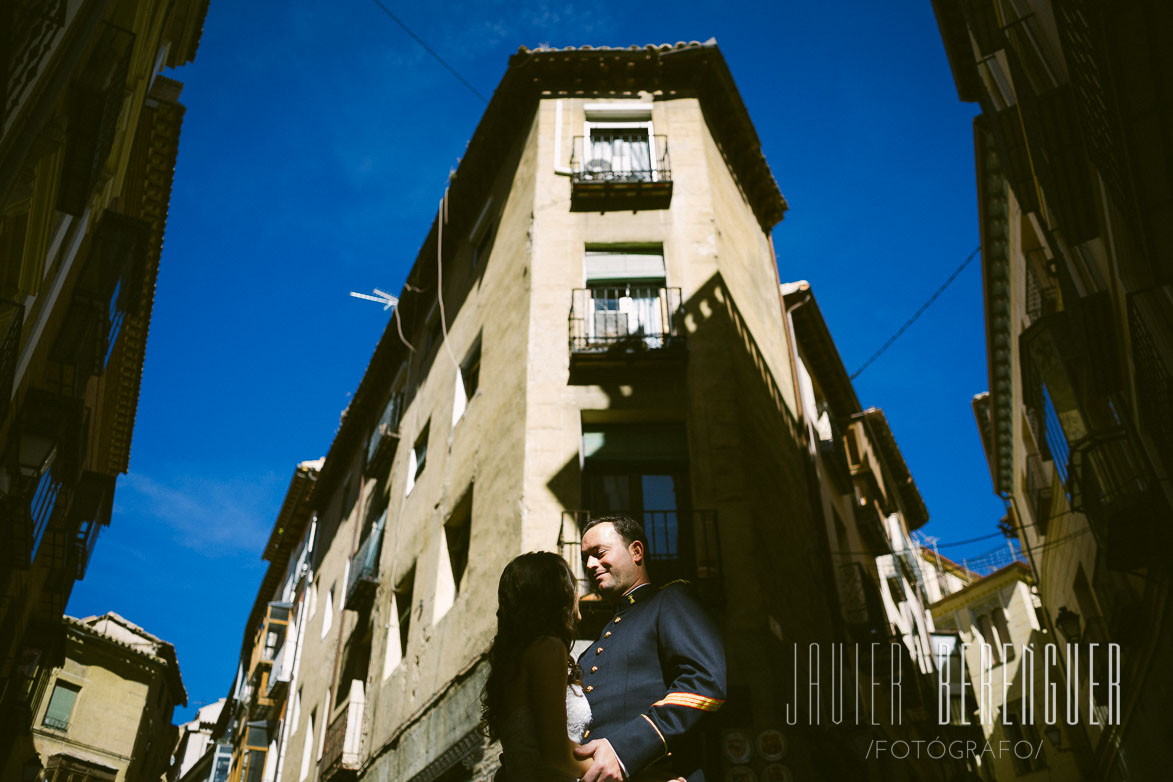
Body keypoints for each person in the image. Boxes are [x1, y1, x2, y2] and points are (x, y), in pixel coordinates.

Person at [574, 515, 726, 782]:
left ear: (636, 551)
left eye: (599, 553)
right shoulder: (592, 650)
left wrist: (625, 750)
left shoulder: (670, 600)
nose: (589, 564)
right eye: (586, 557)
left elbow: (705, 682)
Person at [483, 551, 594, 782]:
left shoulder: (515, 658)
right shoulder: (548, 647)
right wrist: (630, 773)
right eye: (572, 584)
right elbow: (558, 754)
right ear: (558, 593)